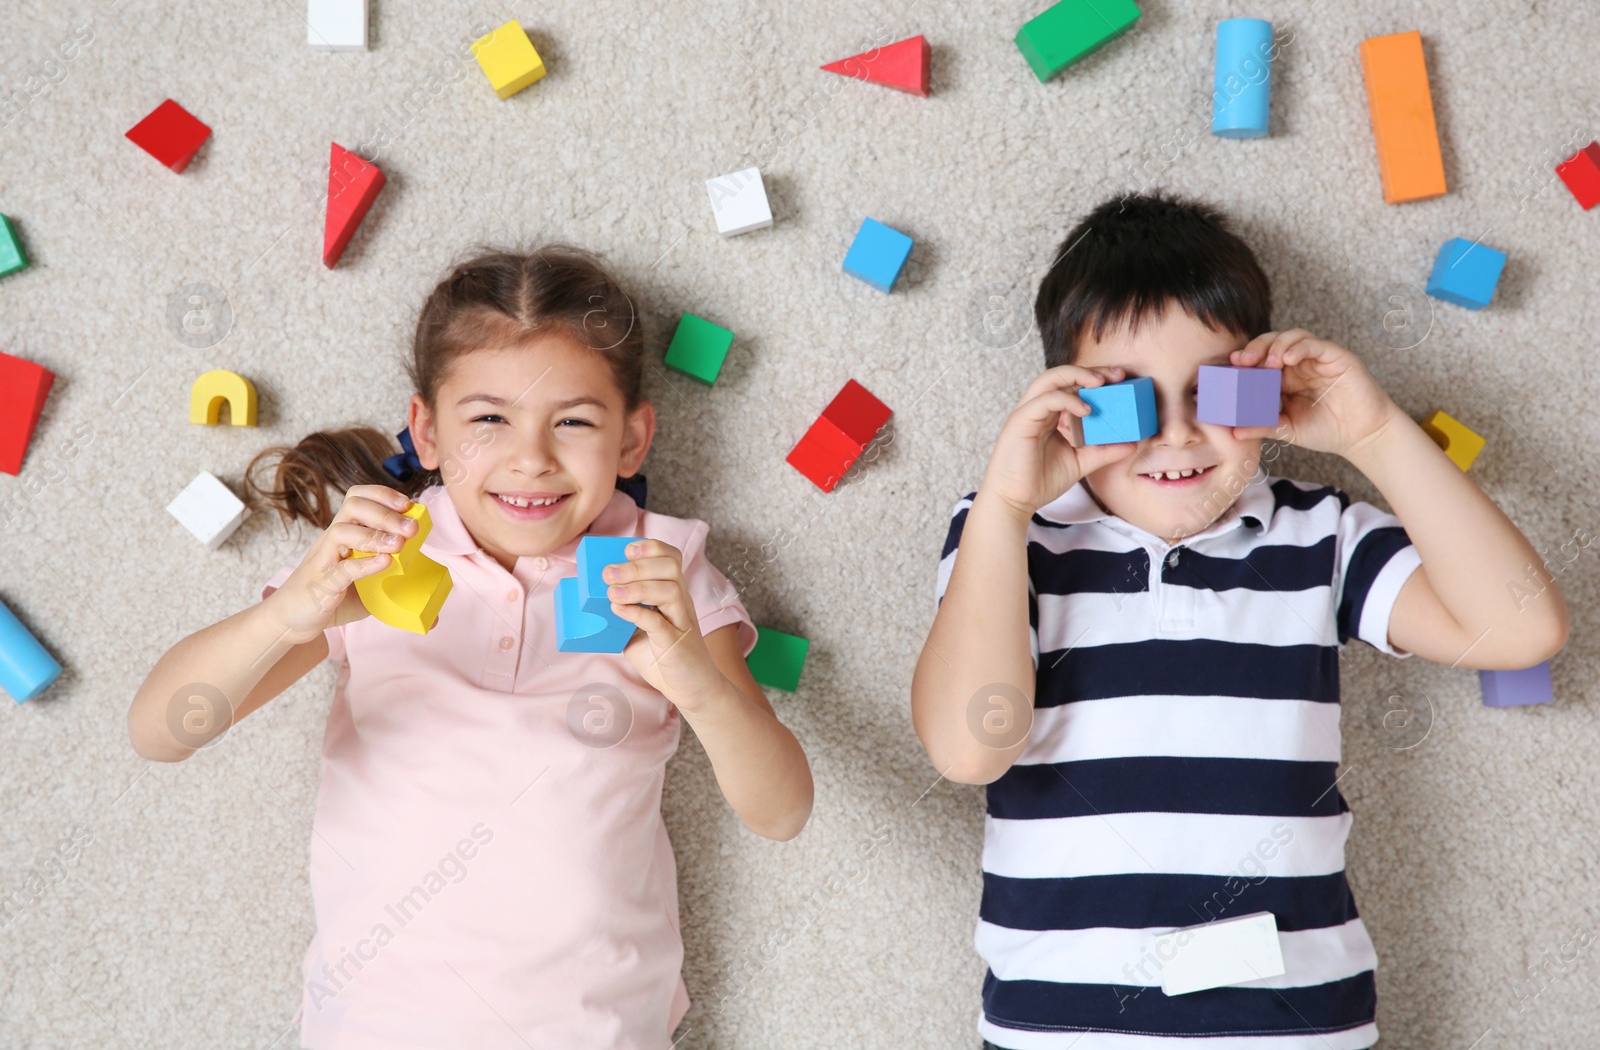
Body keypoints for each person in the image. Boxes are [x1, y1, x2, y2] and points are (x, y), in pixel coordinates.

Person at [911, 193, 1569, 1049]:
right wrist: (1003, 503)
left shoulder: (1319, 534)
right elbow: (968, 750)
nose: (1177, 436)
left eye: (1213, 393)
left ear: (1262, 388)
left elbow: (1521, 629)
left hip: (1293, 1020)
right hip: (1062, 1021)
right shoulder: (1011, 534)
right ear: (1067, 403)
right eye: (1132, 403)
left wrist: (1372, 433)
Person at [128, 245, 813, 1049]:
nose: (531, 458)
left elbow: (782, 810)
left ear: (633, 440)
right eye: (489, 419)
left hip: (596, 1029)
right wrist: (291, 615)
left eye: (574, 422)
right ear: (427, 430)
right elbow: (159, 731)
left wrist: (696, 682)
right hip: (378, 1024)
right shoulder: (375, 556)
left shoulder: (660, 567)